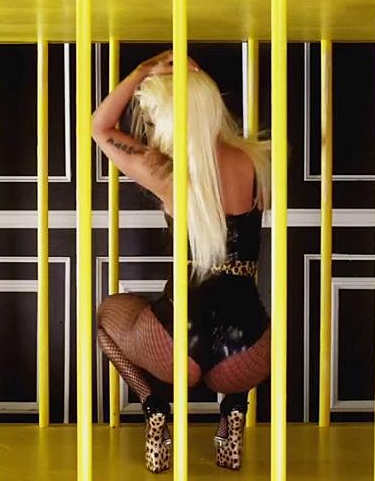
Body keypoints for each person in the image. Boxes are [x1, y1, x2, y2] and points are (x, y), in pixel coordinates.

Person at [92, 50, 272, 472]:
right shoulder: (256, 161)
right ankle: (233, 414)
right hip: (246, 350)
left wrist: (143, 70)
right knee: (241, 307)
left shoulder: (165, 172)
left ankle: (154, 405)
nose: (152, 130)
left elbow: (99, 126)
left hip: (176, 346)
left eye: (155, 119)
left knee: (108, 315)